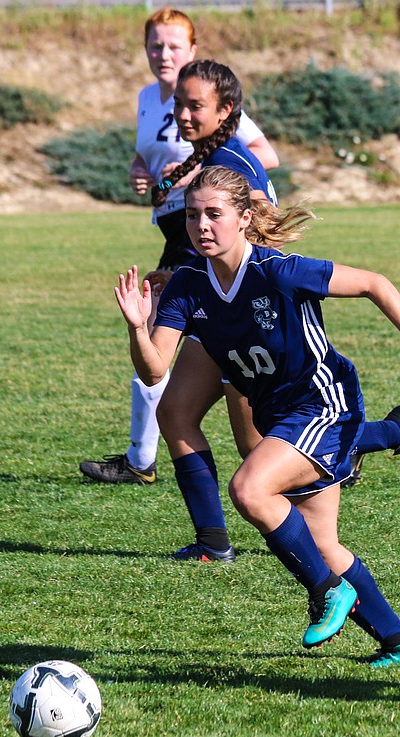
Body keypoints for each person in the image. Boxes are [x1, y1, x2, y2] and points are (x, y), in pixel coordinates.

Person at [86, 58, 400, 563]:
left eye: (196, 106)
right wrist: (186, 283)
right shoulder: (210, 158)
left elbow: (256, 242)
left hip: (248, 322)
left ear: (226, 110)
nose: (183, 116)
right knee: (175, 411)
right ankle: (213, 541)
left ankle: (391, 433)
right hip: (215, 310)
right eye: (178, 105)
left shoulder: (233, 164)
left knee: (258, 446)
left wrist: (227, 288)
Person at [114, 164, 400, 664]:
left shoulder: (276, 270)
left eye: (214, 214)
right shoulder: (188, 285)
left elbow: (374, 283)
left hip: (325, 403)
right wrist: (136, 327)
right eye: (193, 216)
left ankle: (329, 591)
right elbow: (154, 373)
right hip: (281, 416)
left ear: (243, 218)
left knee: (249, 489)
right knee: (323, 545)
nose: (202, 226)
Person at [80, 7, 278, 489]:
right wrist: (141, 171)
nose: (162, 54)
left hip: (212, 245)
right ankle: (146, 460)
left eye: (172, 46)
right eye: (154, 45)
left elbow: (259, 167)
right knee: (162, 342)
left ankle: (347, 443)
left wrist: (205, 188)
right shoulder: (151, 100)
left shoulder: (211, 103)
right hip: (180, 235)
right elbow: (148, 155)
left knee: (247, 419)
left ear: (192, 51)